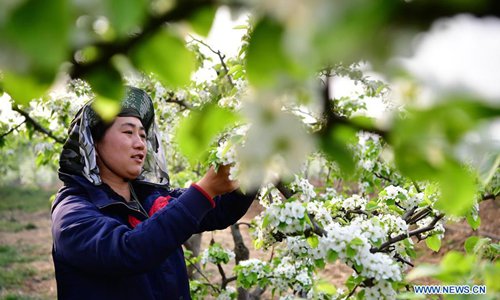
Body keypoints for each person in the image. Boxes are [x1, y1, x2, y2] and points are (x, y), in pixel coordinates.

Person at [51, 86, 255, 299]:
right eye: (128, 132)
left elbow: (221, 211)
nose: (140, 144)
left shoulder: (149, 198)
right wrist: (204, 190)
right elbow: (127, 251)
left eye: (142, 135)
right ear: (92, 143)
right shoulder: (72, 212)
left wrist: (253, 169)